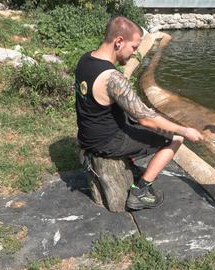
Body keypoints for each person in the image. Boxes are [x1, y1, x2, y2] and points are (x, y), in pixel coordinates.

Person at [74, 16, 204, 211]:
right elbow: (145, 118)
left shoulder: (86, 59)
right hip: (106, 142)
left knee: (131, 119)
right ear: (119, 42)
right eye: (134, 47)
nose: (134, 52)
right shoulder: (112, 78)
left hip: (88, 135)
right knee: (175, 138)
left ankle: (132, 167)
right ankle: (141, 191)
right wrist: (184, 130)